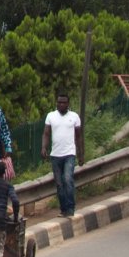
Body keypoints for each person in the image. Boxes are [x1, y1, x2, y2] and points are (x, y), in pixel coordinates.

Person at [41, 90, 83, 219]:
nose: (62, 105)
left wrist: (81, 154)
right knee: (59, 183)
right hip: (55, 155)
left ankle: (70, 208)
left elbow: (79, 137)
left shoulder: (74, 117)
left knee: (68, 179)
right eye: (59, 102)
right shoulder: (51, 116)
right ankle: (63, 209)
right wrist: (43, 147)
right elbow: (46, 133)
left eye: (64, 102)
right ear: (56, 103)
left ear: (68, 104)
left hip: (69, 153)